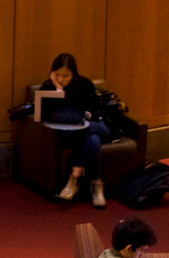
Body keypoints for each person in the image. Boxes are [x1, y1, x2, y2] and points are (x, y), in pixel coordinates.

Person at [28, 52, 110, 206]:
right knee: (93, 141)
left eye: (65, 76)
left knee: (88, 129)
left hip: (97, 126)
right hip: (70, 133)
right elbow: (43, 115)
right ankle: (97, 186)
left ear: (73, 73)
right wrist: (58, 90)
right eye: (57, 75)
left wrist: (84, 114)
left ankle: (75, 177)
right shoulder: (48, 87)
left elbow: (95, 111)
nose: (61, 79)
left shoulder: (85, 85)